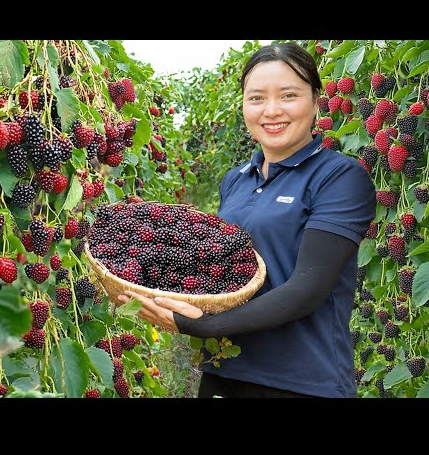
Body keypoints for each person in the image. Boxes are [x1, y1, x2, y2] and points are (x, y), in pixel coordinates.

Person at [115, 42, 376, 398]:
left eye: (288, 95)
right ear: (243, 105)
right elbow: (221, 270)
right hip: (225, 370)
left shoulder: (339, 177)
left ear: (316, 102)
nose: (271, 110)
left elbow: (307, 290)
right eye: (256, 98)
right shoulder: (236, 179)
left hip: (303, 381)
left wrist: (202, 326)